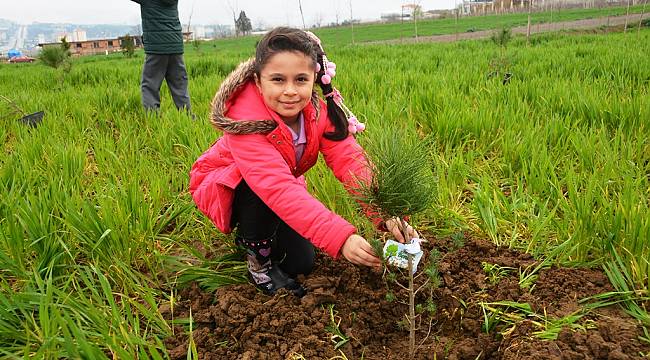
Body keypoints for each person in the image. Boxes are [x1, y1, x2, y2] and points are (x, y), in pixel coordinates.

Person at [189, 27, 416, 297]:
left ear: (314, 79)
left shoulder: (316, 113)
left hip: (279, 186)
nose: (289, 91)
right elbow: (276, 188)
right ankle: (258, 261)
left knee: (301, 262)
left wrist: (387, 214)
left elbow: (351, 162)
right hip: (228, 184)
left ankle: (262, 237)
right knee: (257, 190)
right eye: (277, 79)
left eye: (300, 79)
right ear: (258, 82)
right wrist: (341, 238)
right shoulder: (244, 124)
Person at [131, 0, 192, 113]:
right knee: (180, 85)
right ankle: (188, 118)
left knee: (149, 85)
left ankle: (153, 119)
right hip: (175, 46)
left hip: (156, 49)